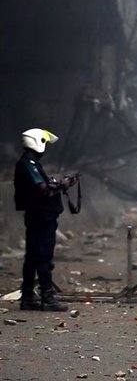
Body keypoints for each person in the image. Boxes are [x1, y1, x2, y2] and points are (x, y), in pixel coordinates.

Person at [14, 128, 78, 311]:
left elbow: (45, 187)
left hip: (39, 216)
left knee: (33, 257)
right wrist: (62, 184)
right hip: (40, 217)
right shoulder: (28, 164)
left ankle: (27, 298)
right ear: (38, 142)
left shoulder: (30, 163)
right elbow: (42, 189)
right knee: (43, 257)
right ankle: (47, 298)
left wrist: (60, 185)